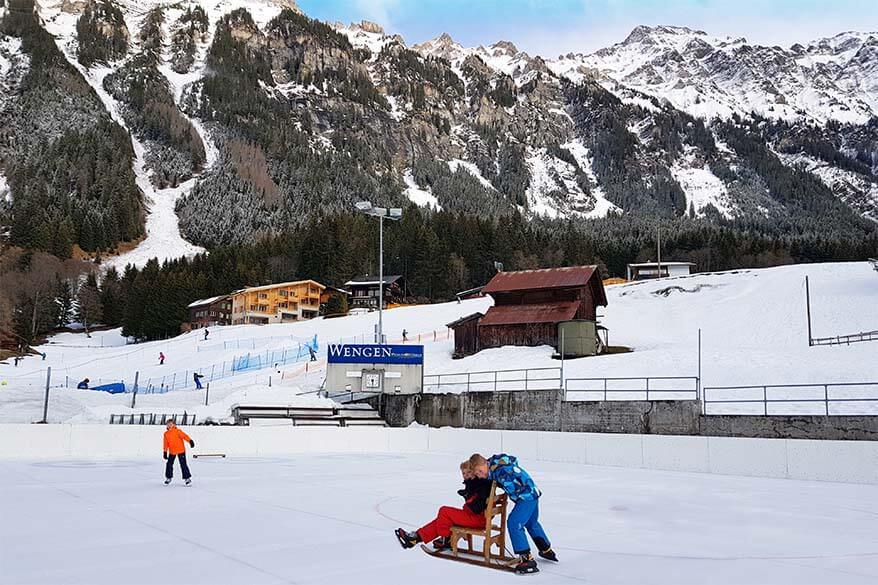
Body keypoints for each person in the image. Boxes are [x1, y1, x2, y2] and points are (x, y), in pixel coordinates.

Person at [470, 453, 556, 574]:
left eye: (480, 471)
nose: (480, 475)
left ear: (485, 464)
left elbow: (508, 481)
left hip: (526, 496)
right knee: (531, 523)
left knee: (514, 522)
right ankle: (546, 549)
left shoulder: (501, 471)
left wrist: (493, 481)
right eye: (477, 473)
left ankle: (526, 558)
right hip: (532, 493)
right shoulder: (496, 465)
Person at [395, 461, 492, 551]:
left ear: (474, 472)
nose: (466, 476)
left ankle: (446, 540)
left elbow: (476, 507)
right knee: (442, 520)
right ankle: (415, 538)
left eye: (469, 472)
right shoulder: (475, 483)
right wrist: (467, 494)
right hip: (474, 518)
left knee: (444, 511)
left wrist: (468, 497)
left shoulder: (480, 484)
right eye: (464, 474)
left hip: (478, 520)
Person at [163, 420, 195, 486]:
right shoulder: (166, 434)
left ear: (174, 425)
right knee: (169, 464)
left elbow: (185, 436)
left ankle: (187, 479)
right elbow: (165, 444)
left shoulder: (178, 431)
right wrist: (165, 452)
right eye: (168, 424)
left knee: (183, 464)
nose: (169, 425)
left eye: (170, 424)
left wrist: (190, 441)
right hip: (172, 451)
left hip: (181, 450)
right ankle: (168, 478)